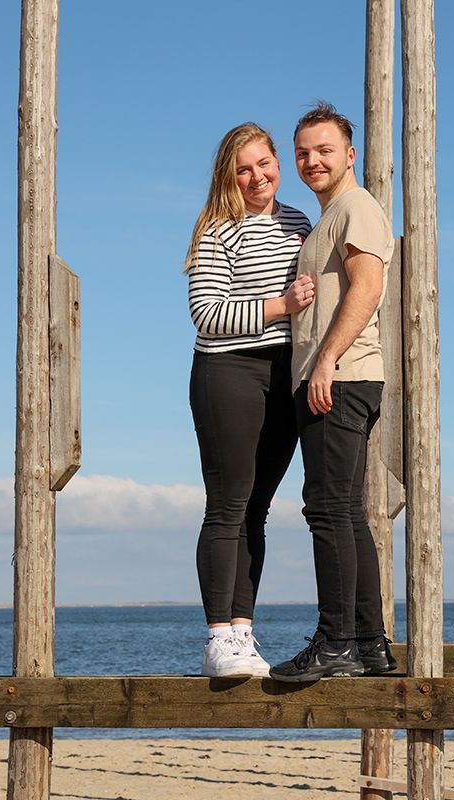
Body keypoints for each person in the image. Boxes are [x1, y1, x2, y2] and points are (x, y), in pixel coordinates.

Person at [270, 102, 396, 682]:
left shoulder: (357, 207)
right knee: (344, 511)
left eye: (324, 150)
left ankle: (337, 641)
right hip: (337, 376)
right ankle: (369, 643)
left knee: (327, 510)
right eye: (303, 152)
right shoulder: (328, 219)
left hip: (340, 378)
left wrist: (325, 361)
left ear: (350, 155)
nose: (312, 160)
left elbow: (367, 289)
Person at [185, 122, 316, 677]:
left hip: (285, 373)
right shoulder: (218, 228)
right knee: (228, 504)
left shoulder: (299, 222)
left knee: (257, 510)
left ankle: (244, 632)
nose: (258, 176)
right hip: (228, 370)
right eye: (244, 168)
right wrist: (280, 305)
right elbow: (207, 316)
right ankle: (218, 637)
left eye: (265, 163)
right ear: (228, 175)